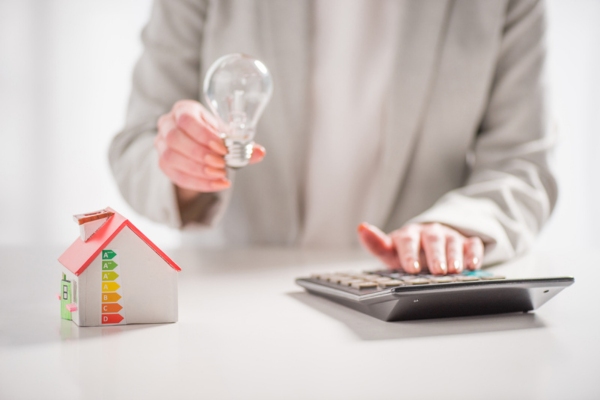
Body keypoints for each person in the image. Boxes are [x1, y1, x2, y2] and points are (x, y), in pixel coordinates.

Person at [109, 0, 556, 275]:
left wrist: (456, 226)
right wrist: (185, 165)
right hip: (233, 294)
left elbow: (523, 162)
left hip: (411, 306)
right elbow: (136, 148)